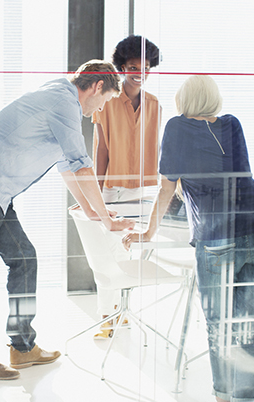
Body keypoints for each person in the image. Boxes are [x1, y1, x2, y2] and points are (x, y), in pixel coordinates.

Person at [0, 60, 135, 380]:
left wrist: (93, 212)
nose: (97, 112)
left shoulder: (59, 95)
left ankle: (22, 347)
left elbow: (67, 166)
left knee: (24, 257)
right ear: (96, 87)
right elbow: (81, 166)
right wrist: (106, 220)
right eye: (103, 102)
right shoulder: (64, 103)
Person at [124, 75, 254, 402]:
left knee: (220, 326)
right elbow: (229, 174)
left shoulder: (177, 127)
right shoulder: (232, 124)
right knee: (251, 327)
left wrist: (147, 232)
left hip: (219, 240)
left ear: (184, 102)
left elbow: (167, 187)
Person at [91, 35, 161, 338]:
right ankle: (107, 315)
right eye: (133, 66)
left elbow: (157, 149)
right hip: (112, 189)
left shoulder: (155, 105)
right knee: (107, 254)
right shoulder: (106, 102)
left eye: (145, 67)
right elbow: (101, 150)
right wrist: (96, 195)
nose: (139, 72)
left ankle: (121, 313)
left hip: (145, 191)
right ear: (122, 67)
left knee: (129, 256)